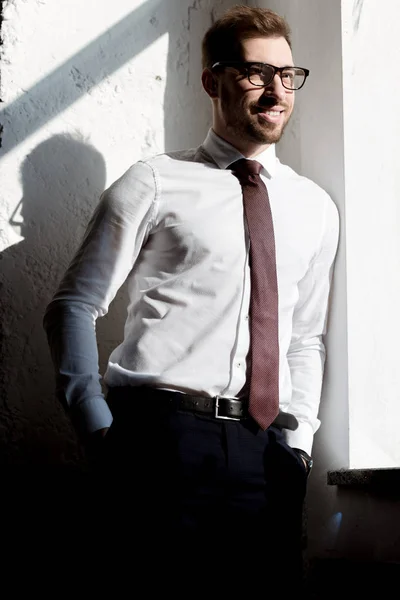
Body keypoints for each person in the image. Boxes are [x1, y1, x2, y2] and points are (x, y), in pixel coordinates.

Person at [44, 4, 339, 593]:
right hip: (160, 443)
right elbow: (73, 306)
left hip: (267, 453)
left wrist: (298, 447)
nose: (275, 91)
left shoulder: (316, 208)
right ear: (212, 80)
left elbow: (306, 337)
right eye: (255, 74)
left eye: (287, 75)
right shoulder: (154, 181)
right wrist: (101, 432)